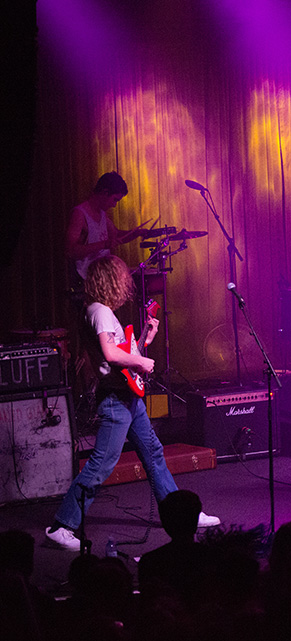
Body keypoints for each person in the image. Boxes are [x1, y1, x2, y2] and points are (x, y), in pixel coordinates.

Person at [44, 256, 220, 551]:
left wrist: (144, 340)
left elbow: (121, 356)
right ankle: (63, 525)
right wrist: (141, 359)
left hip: (125, 395)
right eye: (122, 278)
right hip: (115, 400)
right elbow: (111, 356)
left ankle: (180, 516)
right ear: (111, 280)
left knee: (152, 453)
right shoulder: (99, 311)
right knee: (102, 463)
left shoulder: (101, 311)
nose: (127, 284)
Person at [65, 171, 148, 287]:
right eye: (114, 199)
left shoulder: (102, 214)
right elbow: (71, 250)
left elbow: (116, 235)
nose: (114, 205)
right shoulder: (80, 214)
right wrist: (103, 244)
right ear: (105, 192)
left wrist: (136, 233)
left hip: (101, 278)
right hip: (86, 281)